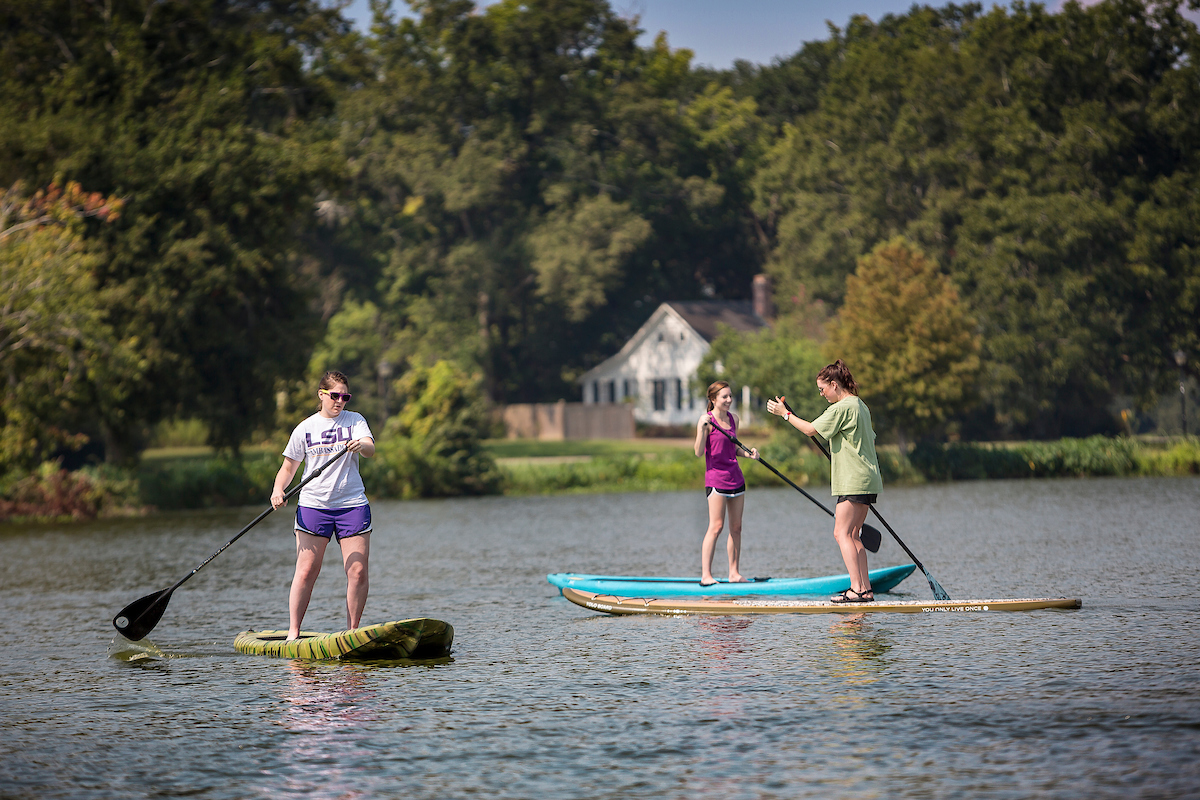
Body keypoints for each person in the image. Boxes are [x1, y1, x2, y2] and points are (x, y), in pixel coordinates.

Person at [766, 360, 882, 603]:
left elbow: (810, 429)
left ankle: (857, 590)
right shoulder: (861, 406)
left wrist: (785, 414)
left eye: (822, 389)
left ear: (834, 384)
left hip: (852, 479)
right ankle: (865, 589)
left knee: (842, 534)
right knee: (853, 534)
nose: (821, 394)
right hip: (868, 478)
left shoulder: (841, 407)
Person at [271, 370, 376, 638]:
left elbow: (370, 448)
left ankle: (352, 633)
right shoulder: (305, 428)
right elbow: (288, 467)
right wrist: (278, 490)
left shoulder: (355, 421)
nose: (340, 401)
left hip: (351, 504)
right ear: (321, 395)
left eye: (345, 396)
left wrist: (361, 444)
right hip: (313, 506)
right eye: (335, 395)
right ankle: (293, 632)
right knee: (306, 571)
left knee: (358, 570)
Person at [694, 381, 759, 586]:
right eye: (725, 397)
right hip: (716, 479)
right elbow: (697, 452)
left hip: (736, 478)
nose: (729, 400)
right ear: (713, 399)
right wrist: (703, 430)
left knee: (736, 527)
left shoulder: (734, 419)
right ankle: (706, 576)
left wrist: (749, 454)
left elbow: (733, 449)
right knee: (716, 527)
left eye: (730, 396)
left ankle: (734, 573)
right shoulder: (706, 420)